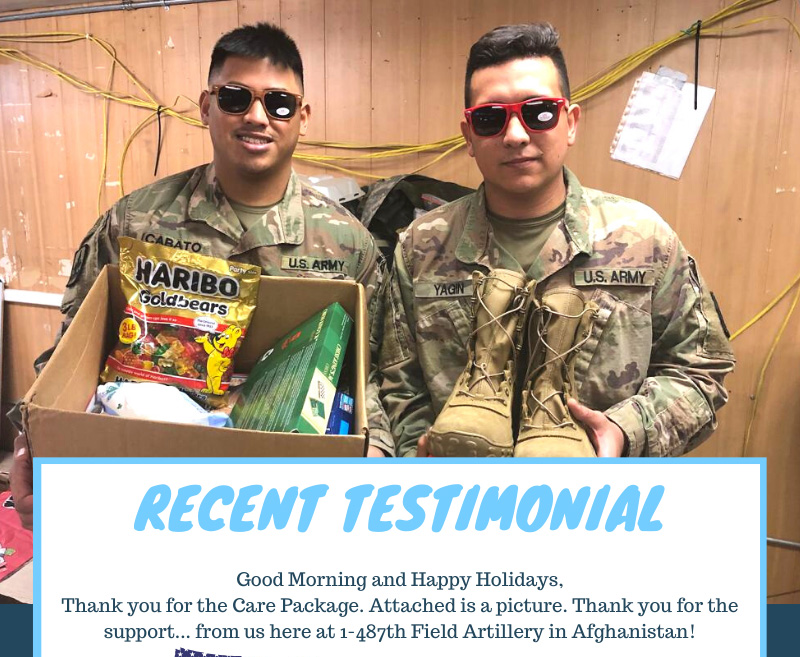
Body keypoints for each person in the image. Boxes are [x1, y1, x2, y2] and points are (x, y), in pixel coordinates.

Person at [11, 22, 393, 529]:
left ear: (301, 116)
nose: (257, 116)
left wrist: (379, 460)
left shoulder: (348, 245)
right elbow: (71, 352)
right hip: (149, 481)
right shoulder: (133, 223)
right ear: (206, 105)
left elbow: (375, 375)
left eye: (278, 103)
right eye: (236, 97)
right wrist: (35, 442)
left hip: (289, 499)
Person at [378, 22, 735, 458]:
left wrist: (623, 432)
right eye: (490, 119)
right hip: (458, 502)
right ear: (469, 136)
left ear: (570, 122)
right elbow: (398, 381)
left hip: (588, 504)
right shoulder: (421, 247)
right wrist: (423, 459)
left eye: (539, 112)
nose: (515, 135)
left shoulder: (644, 240)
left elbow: (700, 372)